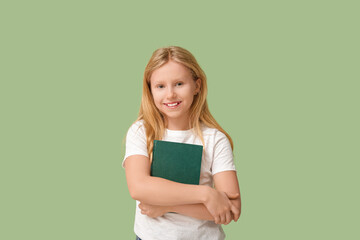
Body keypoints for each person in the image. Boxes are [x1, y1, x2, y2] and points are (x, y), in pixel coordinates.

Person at [122, 46, 241, 240]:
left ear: (197, 86)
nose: (170, 94)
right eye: (160, 86)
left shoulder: (215, 139)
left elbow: (232, 209)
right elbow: (139, 187)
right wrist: (206, 194)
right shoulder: (142, 131)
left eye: (179, 83)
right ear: (150, 90)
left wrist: (167, 205)